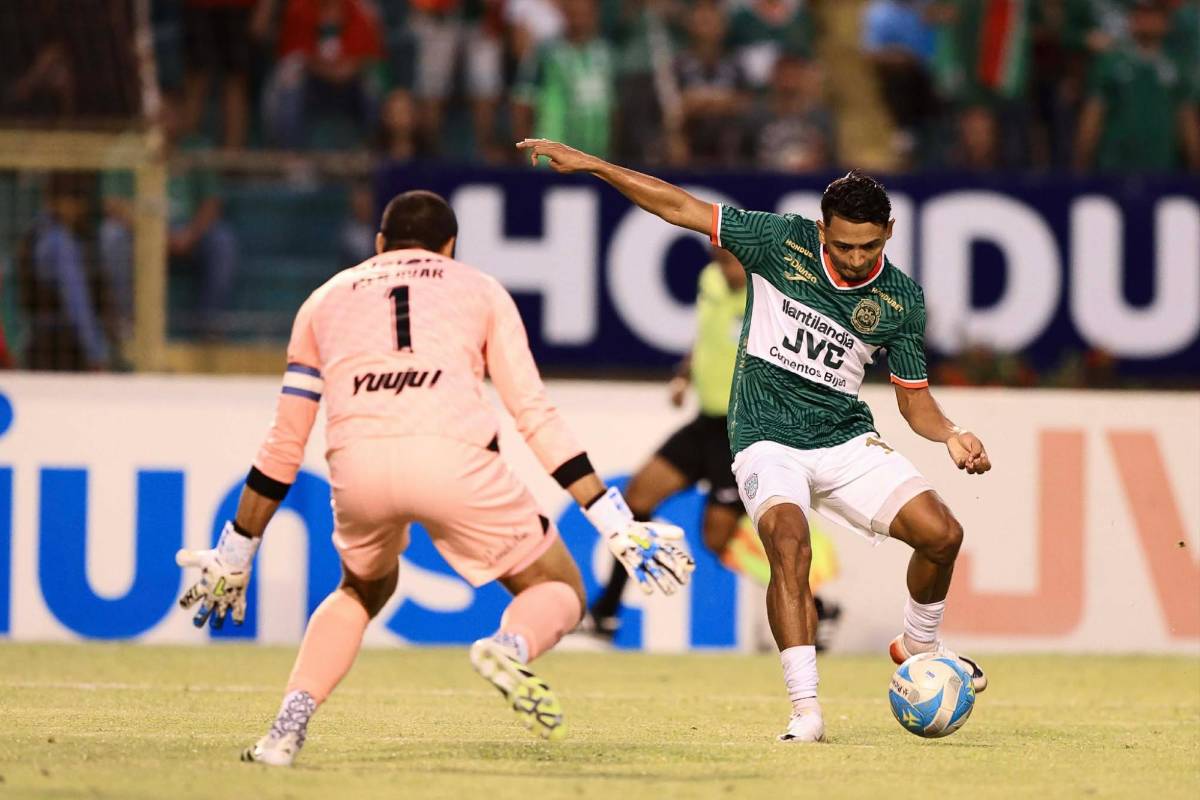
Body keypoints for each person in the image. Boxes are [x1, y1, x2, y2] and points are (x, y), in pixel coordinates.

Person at [175, 190, 695, 766]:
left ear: (379, 245)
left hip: (359, 464)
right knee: (561, 590)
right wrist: (614, 520)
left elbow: (283, 444)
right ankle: (509, 646)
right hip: (456, 462)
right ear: (450, 248)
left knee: (360, 589)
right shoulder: (479, 289)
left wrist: (236, 549)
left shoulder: (321, 301)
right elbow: (533, 415)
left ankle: (286, 728)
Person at [516, 138, 992, 743]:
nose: (851, 258)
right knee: (789, 545)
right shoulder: (779, 240)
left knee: (943, 534)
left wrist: (950, 433)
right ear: (821, 230)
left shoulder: (900, 299)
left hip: (843, 439)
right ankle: (806, 712)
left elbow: (912, 399)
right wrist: (596, 166)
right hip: (765, 438)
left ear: (890, 232)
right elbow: (680, 206)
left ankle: (920, 647)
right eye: (841, 244)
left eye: (867, 246)